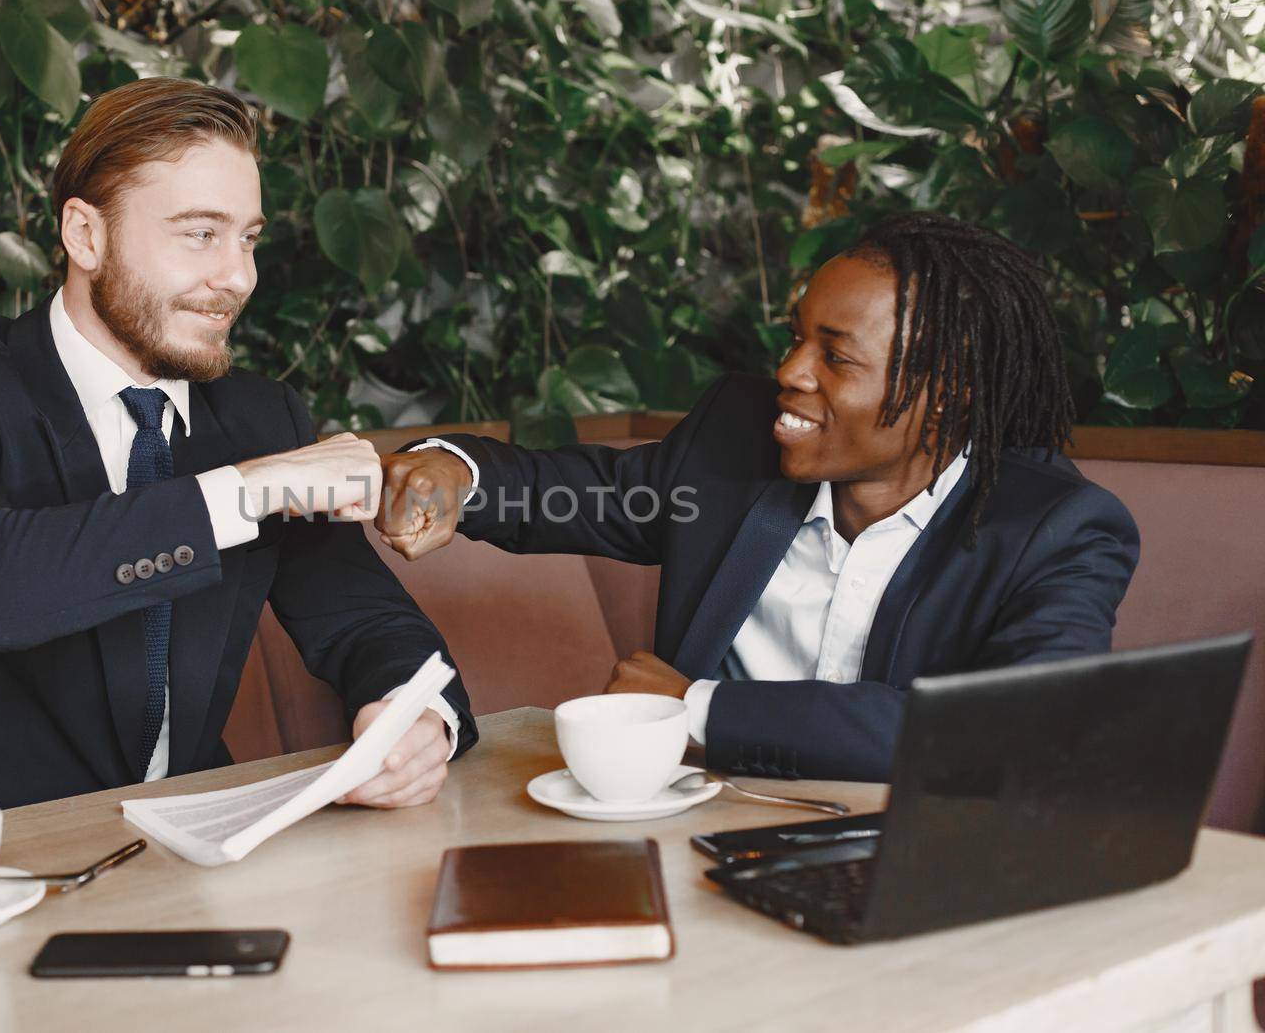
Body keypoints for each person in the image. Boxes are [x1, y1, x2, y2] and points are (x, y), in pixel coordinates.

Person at [0, 78, 473, 810]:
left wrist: (411, 713)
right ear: (86, 235)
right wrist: (245, 493)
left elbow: (367, 620)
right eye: (201, 234)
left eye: (247, 238)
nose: (238, 277)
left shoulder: (261, 418)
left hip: (183, 840)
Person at [376, 213, 1138, 781]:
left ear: (944, 397)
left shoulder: (1055, 528)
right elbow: (574, 493)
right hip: (699, 838)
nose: (791, 370)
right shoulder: (733, 449)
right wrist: (453, 471)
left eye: (835, 356)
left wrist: (696, 707)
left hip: (917, 867)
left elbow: (1018, 729)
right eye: (797, 337)